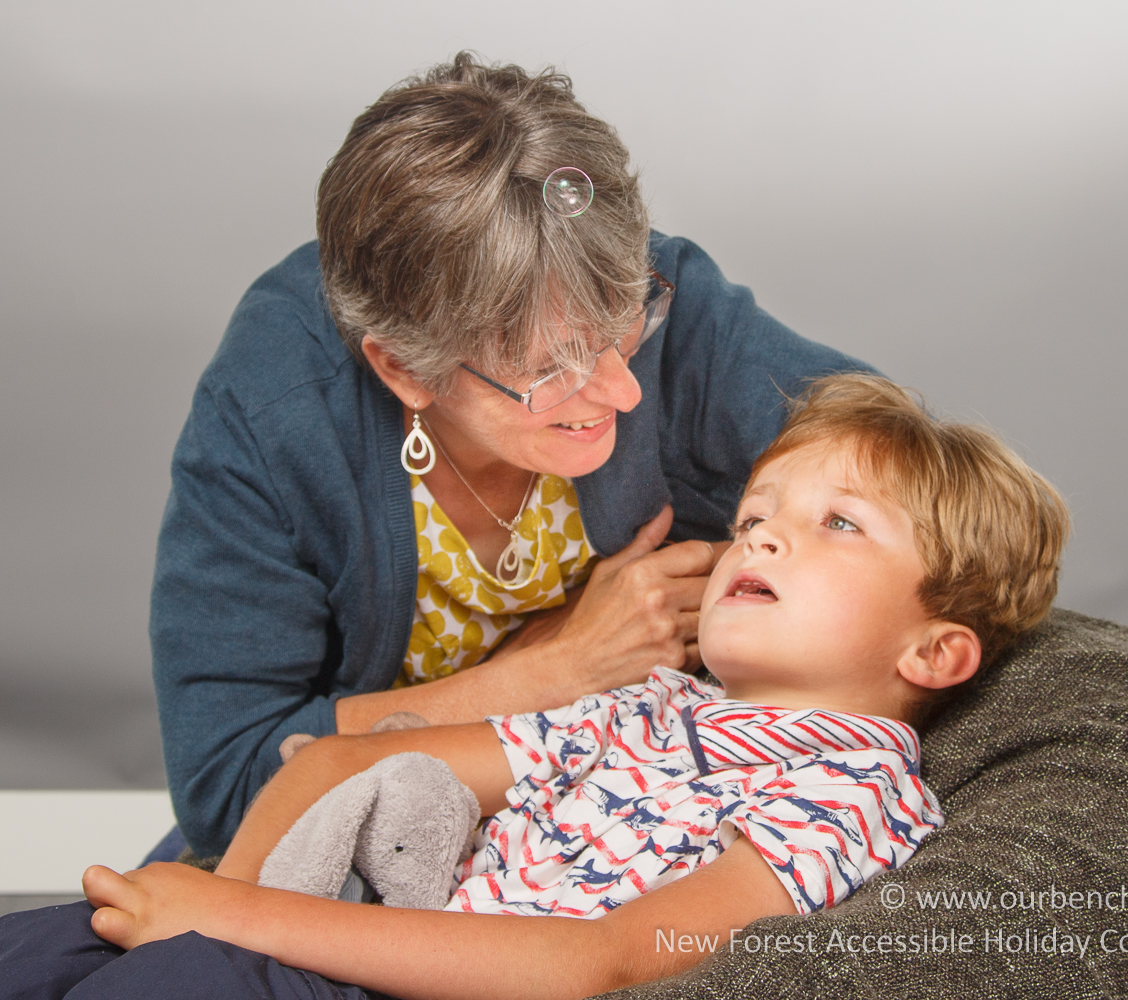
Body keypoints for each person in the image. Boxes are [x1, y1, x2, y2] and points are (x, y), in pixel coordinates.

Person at [0, 374, 1071, 1000]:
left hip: (395, 982)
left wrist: (234, 924)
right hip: (336, 930)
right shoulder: (655, 709)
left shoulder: (851, 791)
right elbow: (338, 762)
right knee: (51, 940)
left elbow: (597, 959)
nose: (766, 533)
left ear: (933, 653)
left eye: (835, 522)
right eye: (755, 514)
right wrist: (218, 907)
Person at [148, 51, 874, 861]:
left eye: (625, 328)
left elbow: (905, 481)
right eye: (553, 368)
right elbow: (227, 784)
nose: (624, 393)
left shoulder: (643, 284)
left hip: (626, 808)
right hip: (374, 846)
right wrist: (555, 668)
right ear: (404, 368)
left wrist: (730, 595)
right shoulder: (274, 410)